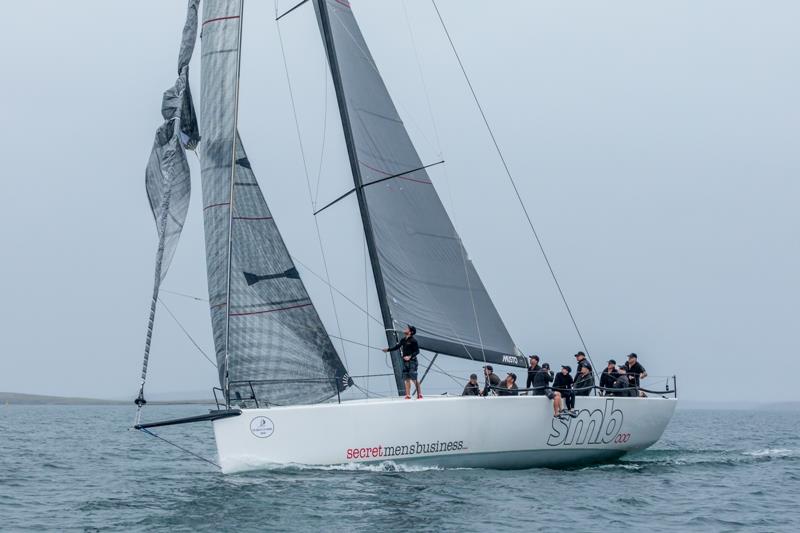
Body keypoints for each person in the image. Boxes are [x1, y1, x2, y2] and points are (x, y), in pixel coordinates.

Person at [382, 325, 422, 399]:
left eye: (407, 329)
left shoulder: (413, 341)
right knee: (406, 379)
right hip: (405, 362)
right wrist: (388, 350)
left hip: (412, 362)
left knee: (414, 378)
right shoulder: (403, 340)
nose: (405, 329)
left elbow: (417, 351)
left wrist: (410, 357)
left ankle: (419, 394)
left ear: (410, 332)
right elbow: (397, 347)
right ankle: (408, 395)